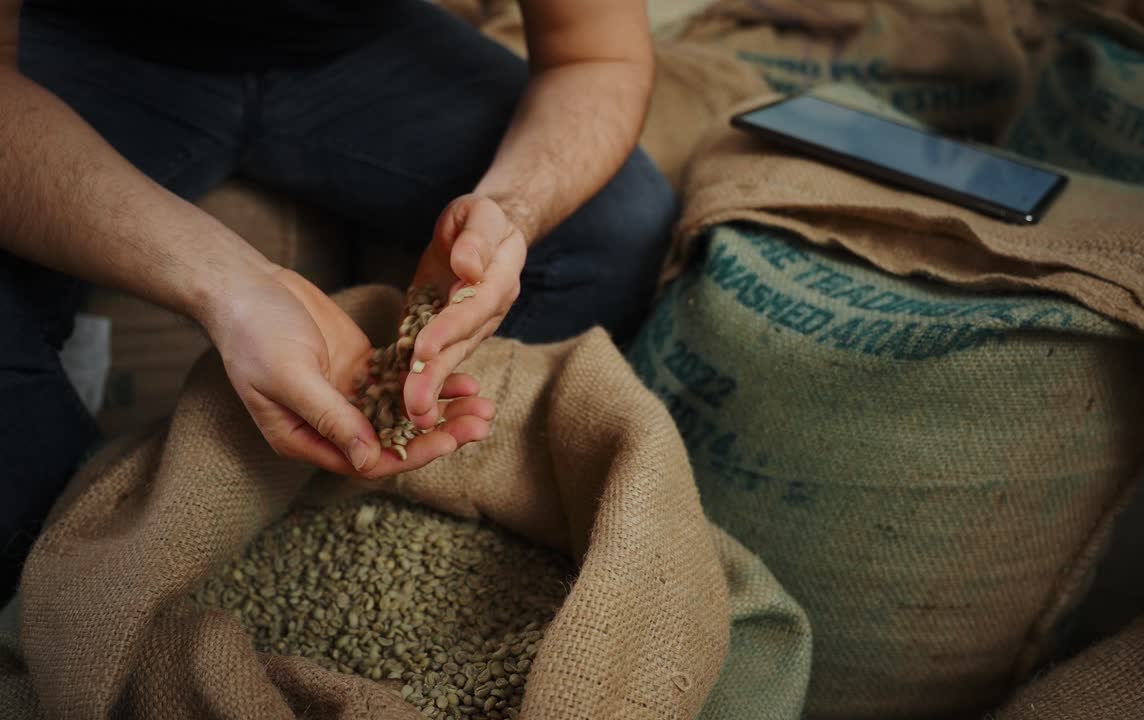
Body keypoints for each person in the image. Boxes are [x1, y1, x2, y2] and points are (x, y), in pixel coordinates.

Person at [0, 0, 676, 596]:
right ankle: (63, 576)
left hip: (355, 47)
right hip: (87, 45)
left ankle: (441, 496)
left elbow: (596, 56)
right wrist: (227, 283)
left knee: (619, 223)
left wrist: (509, 214)